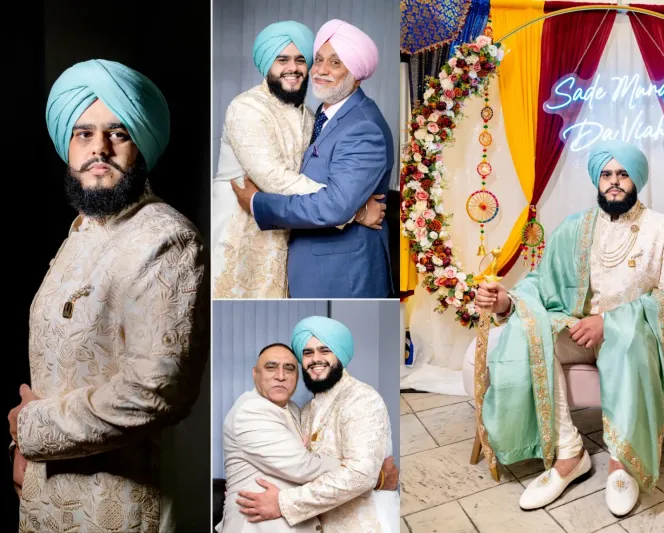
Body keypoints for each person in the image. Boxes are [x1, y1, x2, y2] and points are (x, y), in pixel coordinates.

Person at [8, 59, 208, 532]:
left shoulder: (165, 239)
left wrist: (30, 431)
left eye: (117, 133)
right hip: (45, 492)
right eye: (83, 133)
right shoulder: (83, 229)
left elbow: (154, 393)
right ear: (67, 146)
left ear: (140, 143)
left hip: (117, 503)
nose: (99, 148)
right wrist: (25, 456)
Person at [476, 140, 664, 517]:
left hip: (634, 333)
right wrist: (506, 303)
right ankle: (570, 452)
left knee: (627, 343)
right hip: (579, 329)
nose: (613, 182)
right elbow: (539, 282)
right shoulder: (574, 228)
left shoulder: (663, 230)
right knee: (531, 335)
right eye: (606, 175)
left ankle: (623, 462)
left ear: (636, 179)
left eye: (623, 174)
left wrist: (608, 323)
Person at [213, 21, 385, 299]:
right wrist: (355, 211)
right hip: (241, 231)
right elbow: (272, 177)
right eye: (282, 60)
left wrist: (343, 204)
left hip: (285, 231)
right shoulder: (246, 108)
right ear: (267, 64)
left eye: (300, 59)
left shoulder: (310, 114)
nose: (292, 68)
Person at [235, 317, 399, 533]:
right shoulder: (306, 411)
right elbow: (295, 467)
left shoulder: (361, 398)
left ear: (340, 354)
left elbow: (360, 474)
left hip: (367, 523)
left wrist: (283, 503)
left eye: (325, 351)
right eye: (308, 353)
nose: (315, 359)